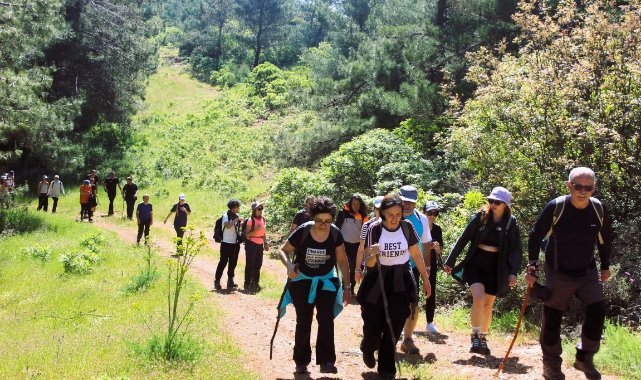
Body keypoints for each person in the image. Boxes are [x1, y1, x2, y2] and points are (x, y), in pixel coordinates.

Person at [525, 167, 613, 380]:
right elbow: (535, 236)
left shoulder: (598, 209)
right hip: (558, 271)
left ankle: (584, 358)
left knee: (597, 310)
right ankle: (551, 366)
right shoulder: (557, 207)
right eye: (578, 186)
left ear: (593, 189)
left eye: (588, 188)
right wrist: (533, 269)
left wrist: (605, 266)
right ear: (569, 186)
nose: (582, 191)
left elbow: (605, 239)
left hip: (587, 271)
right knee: (553, 317)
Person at [356, 193, 431, 380]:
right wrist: (371, 254)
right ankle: (368, 346)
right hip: (377, 279)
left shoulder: (407, 227)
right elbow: (370, 264)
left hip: (401, 279)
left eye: (398, 214)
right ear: (382, 213)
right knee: (373, 322)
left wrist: (425, 277)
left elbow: (415, 253)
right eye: (390, 214)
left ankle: (386, 369)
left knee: (395, 322)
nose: (395, 218)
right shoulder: (375, 228)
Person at [444, 186, 522, 356]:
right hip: (476, 263)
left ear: (505, 205)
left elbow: (516, 249)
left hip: (496, 267)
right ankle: (475, 335)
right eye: (491, 201)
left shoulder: (511, 223)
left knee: (488, 305)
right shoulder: (481, 217)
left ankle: (483, 337)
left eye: (497, 202)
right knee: (478, 298)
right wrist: (450, 261)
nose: (493, 204)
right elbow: (464, 238)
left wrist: (513, 272)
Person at [278, 196, 351, 375]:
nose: (323, 224)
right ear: (312, 217)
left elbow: (342, 260)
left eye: (327, 221)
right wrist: (289, 267)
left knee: (326, 320)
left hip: (326, 281)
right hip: (302, 281)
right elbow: (283, 250)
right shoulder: (303, 230)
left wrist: (348, 287)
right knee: (304, 320)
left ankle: (327, 361)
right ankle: (301, 362)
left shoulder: (335, 233)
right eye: (319, 220)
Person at [396, 185, 433, 355]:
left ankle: (407, 339)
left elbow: (426, 244)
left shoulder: (422, 219)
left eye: (412, 202)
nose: (408, 205)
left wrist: (426, 268)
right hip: (390, 265)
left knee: (413, 302)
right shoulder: (389, 215)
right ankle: (386, 335)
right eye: (405, 201)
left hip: (411, 266)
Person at [335, 194, 369, 296]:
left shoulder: (363, 215)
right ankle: (343, 287)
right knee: (344, 265)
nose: (356, 206)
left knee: (355, 267)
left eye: (358, 204)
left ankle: (352, 288)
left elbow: (366, 230)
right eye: (354, 204)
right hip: (344, 244)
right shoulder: (342, 213)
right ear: (350, 203)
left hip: (357, 245)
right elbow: (337, 227)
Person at [422, 200, 443, 334]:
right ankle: (407, 321)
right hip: (415, 261)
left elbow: (440, 250)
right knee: (411, 291)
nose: (432, 216)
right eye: (430, 212)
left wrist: (437, 247)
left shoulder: (437, 229)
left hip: (432, 263)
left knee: (431, 292)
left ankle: (429, 322)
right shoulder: (417, 226)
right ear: (424, 212)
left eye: (435, 213)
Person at [214, 199, 243, 290]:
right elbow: (227, 226)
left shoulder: (236, 216)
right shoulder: (225, 216)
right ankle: (217, 281)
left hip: (235, 243)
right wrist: (237, 219)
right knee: (223, 262)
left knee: (233, 263)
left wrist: (241, 223)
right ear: (234, 208)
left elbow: (238, 228)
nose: (239, 208)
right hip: (226, 243)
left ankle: (230, 281)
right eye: (238, 206)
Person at [355, 195, 384, 285]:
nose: (381, 212)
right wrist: (357, 270)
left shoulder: (395, 226)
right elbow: (361, 249)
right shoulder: (367, 226)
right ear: (374, 209)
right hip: (371, 267)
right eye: (378, 209)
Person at [244, 201, 269, 293]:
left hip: (260, 244)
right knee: (250, 265)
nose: (261, 210)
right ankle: (247, 284)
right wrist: (255, 230)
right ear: (254, 210)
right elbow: (247, 235)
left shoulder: (264, 219)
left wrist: (265, 243)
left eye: (261, 209)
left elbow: (264, 232)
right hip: (251, 244)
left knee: (258, 264)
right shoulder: (251, 221)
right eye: (259, 209)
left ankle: (255, 283)